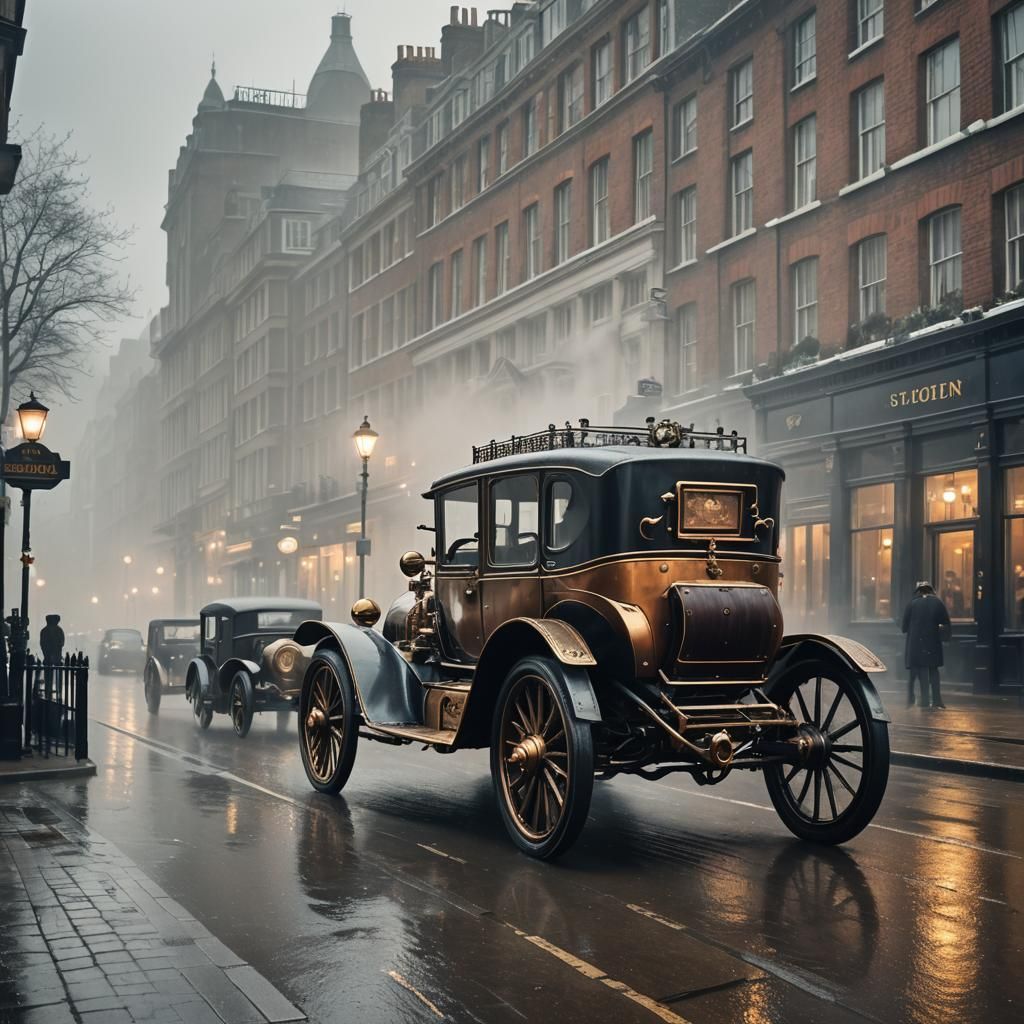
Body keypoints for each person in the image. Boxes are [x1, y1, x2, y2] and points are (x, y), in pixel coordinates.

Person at [901, 582, 951, 709]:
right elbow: (946, 623)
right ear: (931, 591)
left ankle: (924, 701)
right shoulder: (938, 603)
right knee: (933, 670)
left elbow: (904, 628)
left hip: (916, 643)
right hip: (933, 642)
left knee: (922, 670)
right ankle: (937, 700)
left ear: (918, 591)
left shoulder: (912, 604)